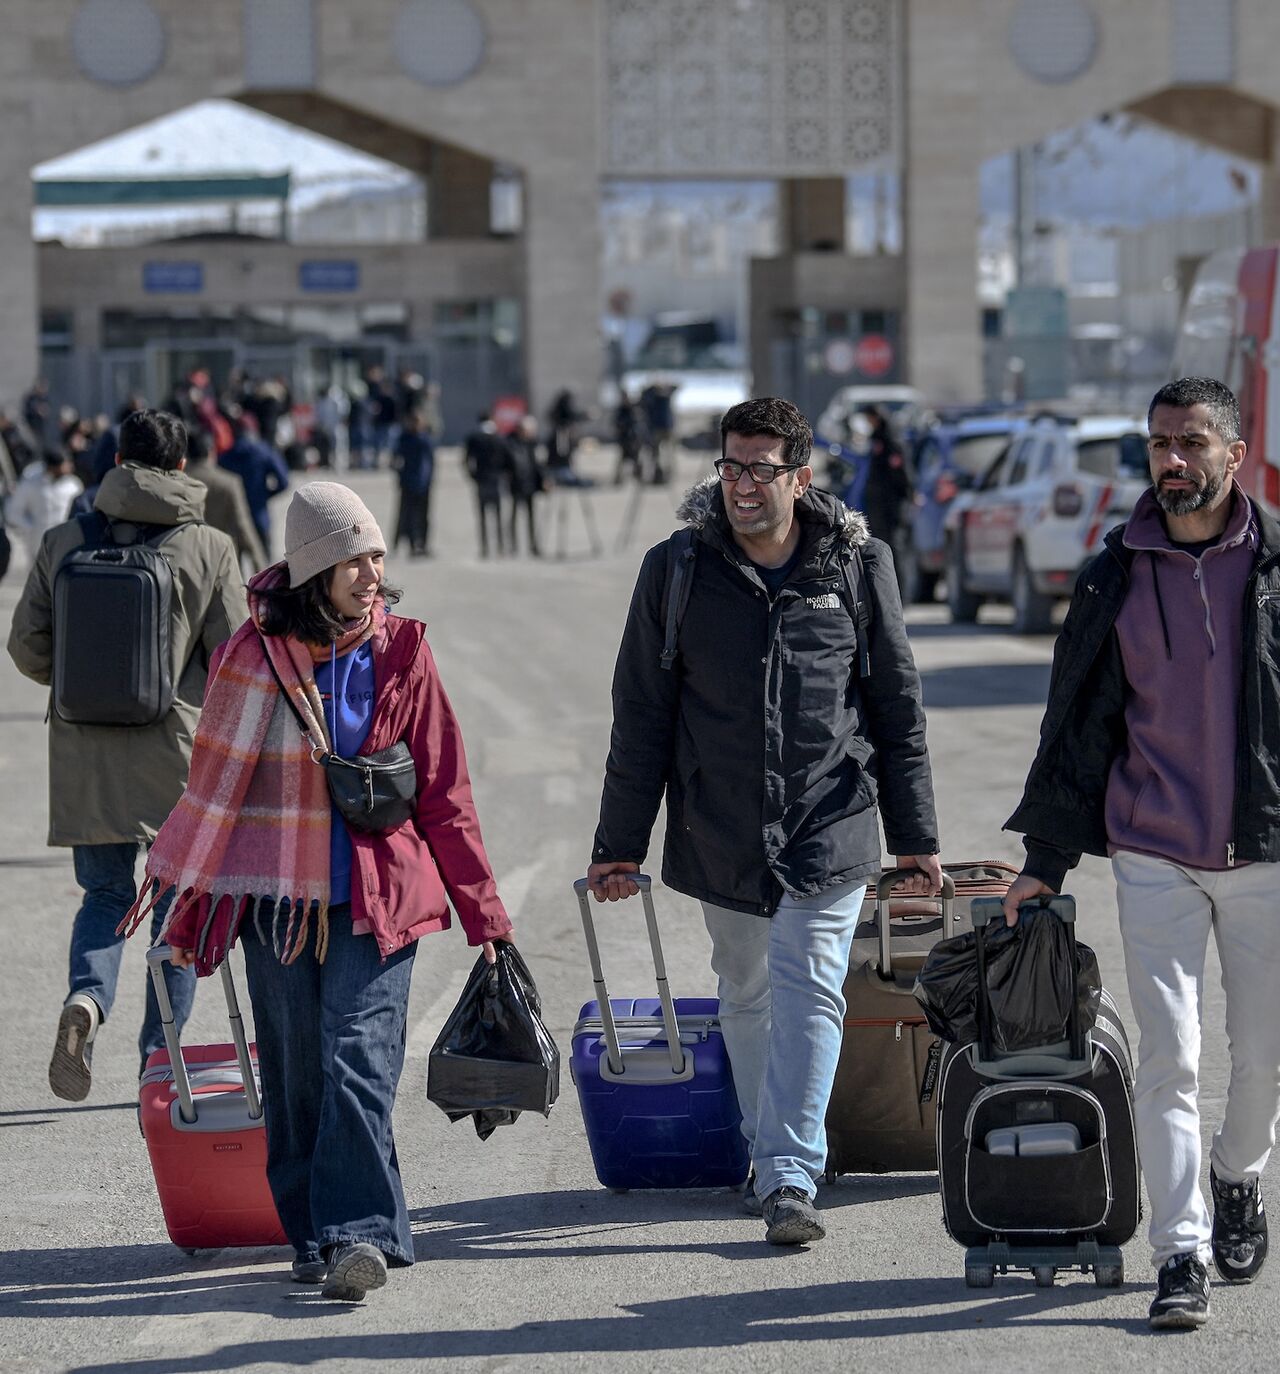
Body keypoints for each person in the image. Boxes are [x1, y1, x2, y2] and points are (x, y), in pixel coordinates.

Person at [122, 482, 514, 1301]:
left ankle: (361, 1235)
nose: (372, 572)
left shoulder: (402, 649)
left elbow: (445, 788)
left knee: (357, 1066)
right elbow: (212, 789)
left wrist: (486, 915)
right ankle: (310, 1233)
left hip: (379, 898)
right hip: (276, 907)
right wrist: (188, 897)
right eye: (353, 559)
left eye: (376, 555)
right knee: (298, 1079)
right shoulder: (250, 657)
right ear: (314, 569)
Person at [586, 396, 942, 1245]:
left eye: (761, 470)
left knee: (812, 983)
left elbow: (897, 709)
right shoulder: (676, 572)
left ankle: (789, 1172)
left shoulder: (856, 568)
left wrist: (917, 836)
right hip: (721, 823)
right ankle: (763, 1152)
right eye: (731, 467)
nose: (743, 486)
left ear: (800, 477)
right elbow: (641, 716)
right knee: (745, 990)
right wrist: (618, 846)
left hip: (832, 817)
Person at [1002, 376, 1280, 1331]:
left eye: (1192, 443)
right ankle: (1182, 1253)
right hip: (1152, 850)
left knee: (1263, 1061)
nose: (1173, 460)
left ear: (1234, 454)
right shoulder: (1114, 571)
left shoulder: (1277, 566)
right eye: (1160, 444)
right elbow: (1077, 725)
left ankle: (1238, 1173)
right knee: (1170, 1060)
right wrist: (1046, 855)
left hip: (1266, 854)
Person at [7, 409, 246, 1099]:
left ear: (115, 459)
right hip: (179, 756)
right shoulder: (209, 547)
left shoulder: (64, 539)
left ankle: (87, 1000)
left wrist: (83, 678)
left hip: (87, 755)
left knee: (105, 893)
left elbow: (26, 646)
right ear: (181, 468)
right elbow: (233, 658)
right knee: (178, 902)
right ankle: (158, 1057)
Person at [183, 428, 269, 573]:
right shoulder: (229, 483)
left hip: (187, 562)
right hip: (223, 563)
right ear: (212, 451)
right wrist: (260, 566)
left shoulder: (179, 482)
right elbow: (243, 526)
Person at [219, 413, 291, 555]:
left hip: (234, 517)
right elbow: (284, 481)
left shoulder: (227, 455)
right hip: (259, 513)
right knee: (264, 566)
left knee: (234, 565)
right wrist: (266, 494)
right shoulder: (264, 451)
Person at [7, 450, 83, 565]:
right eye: (65, 464)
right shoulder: (32, 483)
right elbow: (13, 512)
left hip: (66, 543)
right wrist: (31, 528)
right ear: (53, 467)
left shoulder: (73, 485)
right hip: (38, 544)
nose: (70, 467)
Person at [464, 412, 512, 558]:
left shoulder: (474, 438)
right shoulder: (498, 438)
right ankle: (500, 547)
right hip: (496, 479)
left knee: (483, 516)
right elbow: (507, 459)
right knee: (497, 514)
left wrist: (473, 476)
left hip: (482, 479)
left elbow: (467, 460)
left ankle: (485, 547)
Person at [392, 410, 435, 558]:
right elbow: (396, 459)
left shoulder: (425, 440)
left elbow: (430, 462)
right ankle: (408, 544)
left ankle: (422, 544)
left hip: (423, 484)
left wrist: (429, 480)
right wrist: (401, 476)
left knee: (423, 516)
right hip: (408, 482)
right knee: (406, 515)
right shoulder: (405, 439)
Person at [506, 414, 546, 557]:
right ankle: (513, 546)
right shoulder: (511, 443)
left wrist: (544, 481)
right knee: (514, 516)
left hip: (530, 484)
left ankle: (534, 545)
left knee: (532, 517)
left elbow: (538, 464)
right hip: (516, 484)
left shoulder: (533, 444)